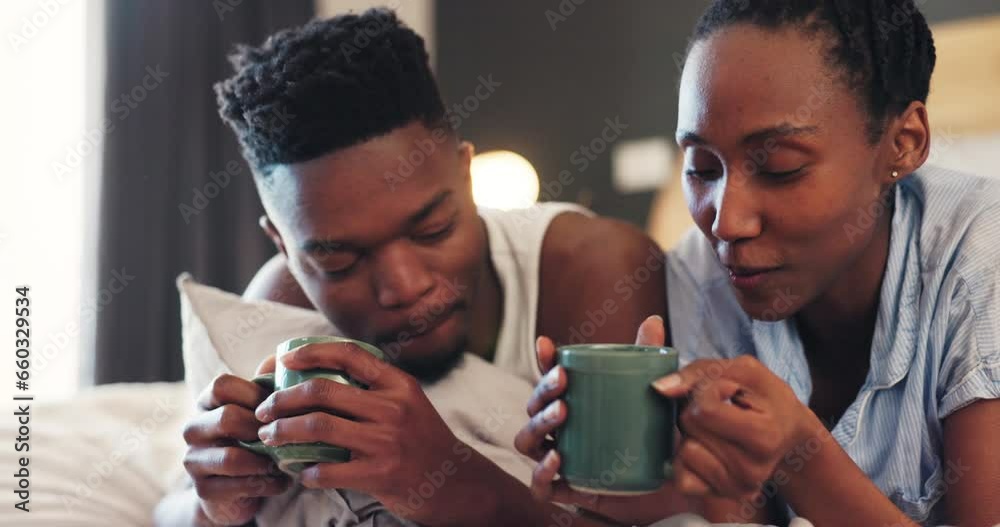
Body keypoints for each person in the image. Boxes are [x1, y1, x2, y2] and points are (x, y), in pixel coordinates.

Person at [154, 8, 669, 527]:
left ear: (467, 176)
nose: (405, 286)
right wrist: (213, 503)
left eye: (432, 230)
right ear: (284, 247)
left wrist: (447, 480)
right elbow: (168, 511)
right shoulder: (280, 302)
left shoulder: (593, 271)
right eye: (338, 260)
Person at [519, 1, 1000, 526]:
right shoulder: (702, 276)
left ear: (903, 144)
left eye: (779, 168)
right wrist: (638, 490)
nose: (727, 223)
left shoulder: (981, 259)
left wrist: (801, 455)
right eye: (702, 168)